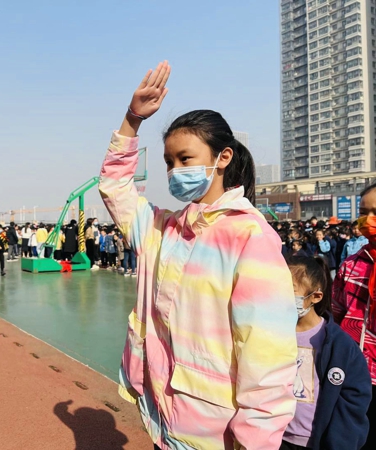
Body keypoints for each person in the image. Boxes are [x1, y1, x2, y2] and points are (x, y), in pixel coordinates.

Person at [99, 62, 297, 449]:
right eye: (169, 162)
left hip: (213, 434)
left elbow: (267, 351)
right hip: (160, 418)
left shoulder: (249, 236)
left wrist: (256, 440)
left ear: (223, 158)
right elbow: (114, 187)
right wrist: (132, 120)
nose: (174, 170)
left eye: (185, 159)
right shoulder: (161, 230)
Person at [282, 256, 371, 449]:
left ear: (315, 297)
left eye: (289, 290)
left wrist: (339, 442)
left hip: (315, 442)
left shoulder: (340, 346)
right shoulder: (272, 333)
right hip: (276, 437)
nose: (280, 296)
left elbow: (354, 399)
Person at [333, 183, 376, 446]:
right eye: (363, 212)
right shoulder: (350, 266)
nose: (368, 220)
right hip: (355, 377)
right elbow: (337, 317)